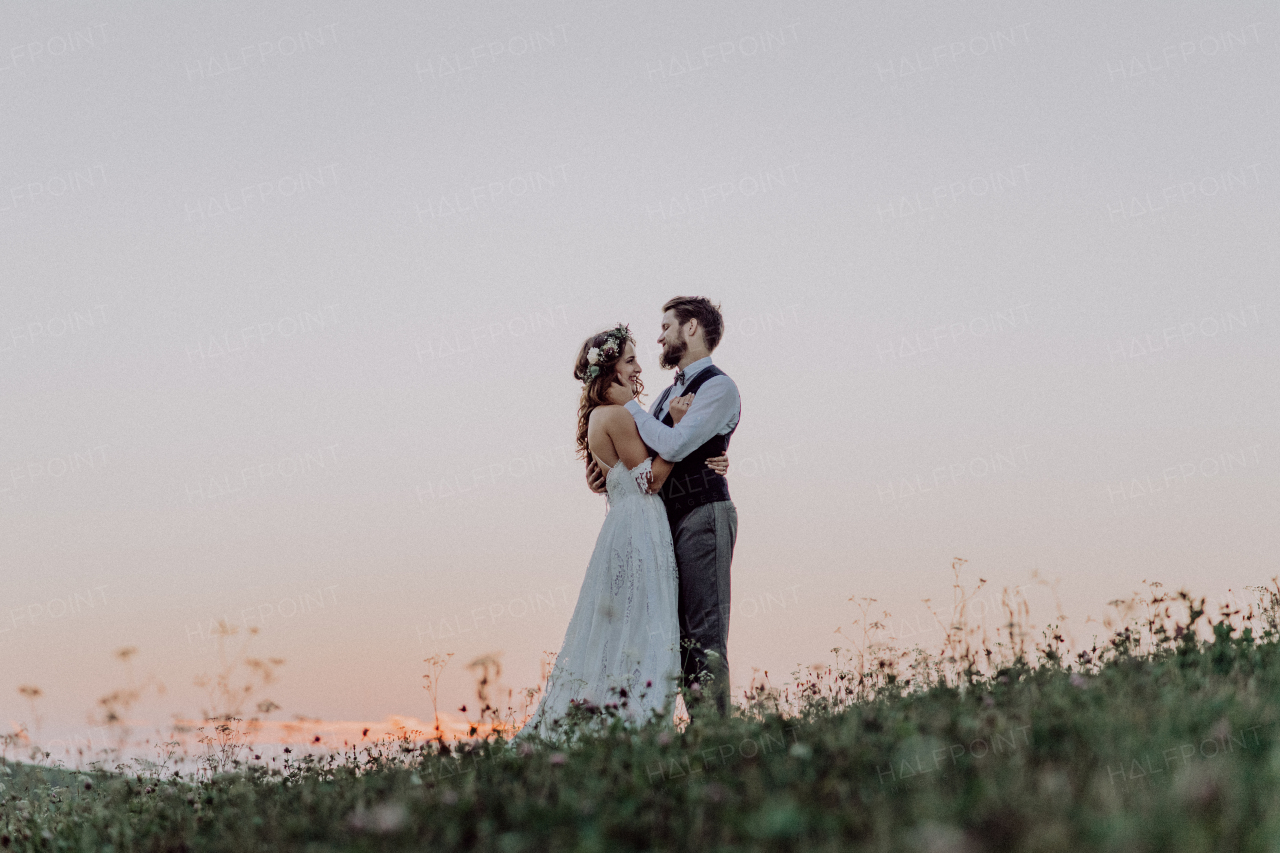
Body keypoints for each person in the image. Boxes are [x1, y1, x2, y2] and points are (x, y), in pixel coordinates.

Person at [518, 322, 729, 740]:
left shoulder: (606, 414)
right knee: (643, 622)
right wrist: (675, 423)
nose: (638, 368)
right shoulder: (616, 414)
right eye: (630, 360)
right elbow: (649, 479)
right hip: (640, 525)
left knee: (628, 624)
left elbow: (621, 471)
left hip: (631, 523)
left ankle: (620, 718)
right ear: (611, 368)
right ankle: (637, 724)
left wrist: (715, 457)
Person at [586, 297, 741, 717]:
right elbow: (645, 456)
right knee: (676, 635)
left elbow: (672, 444)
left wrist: (635, 407)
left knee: (704, 632)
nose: (660, 336)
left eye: (667, 326)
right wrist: (606, 475)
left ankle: (715, 735)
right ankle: (698, 730)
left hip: (702, 515)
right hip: (666, 524)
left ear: (691, 328)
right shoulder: (669, 394)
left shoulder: (718, 387)